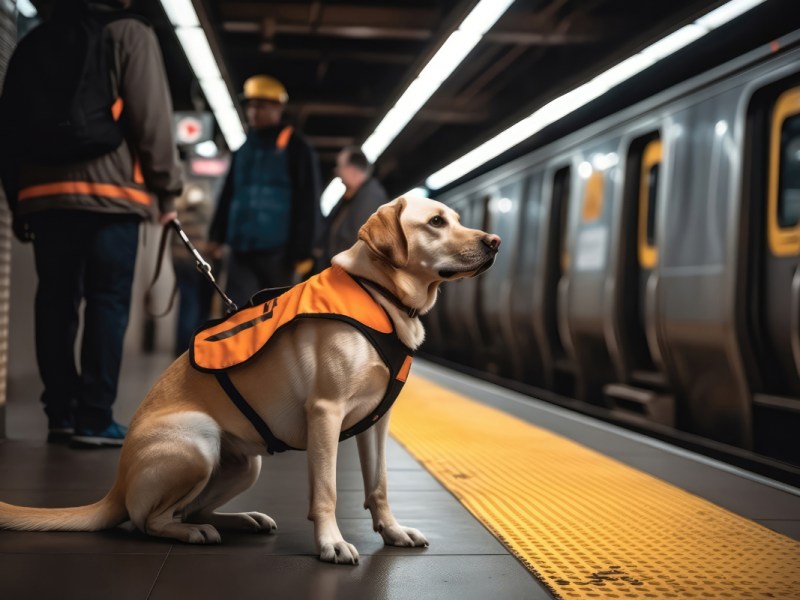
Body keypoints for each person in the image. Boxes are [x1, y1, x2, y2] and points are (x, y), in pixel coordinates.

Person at [0, 0, 183, 447]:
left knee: (55, 302)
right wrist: (167, 188)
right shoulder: (129, 33)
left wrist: (18, 198)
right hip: (112, 196)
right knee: (107, 301)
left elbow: (8, 125)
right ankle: (95, 418)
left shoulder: (33, 40)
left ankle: (60, 413)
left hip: (45, 197)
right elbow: (151, 115)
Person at [208, 75, 321, 306]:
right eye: (250, 105)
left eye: (261, 105)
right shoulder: (243, 150)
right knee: (238, 313)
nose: (253, 112)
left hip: (279, 253)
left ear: (278, 107)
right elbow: (229, 194)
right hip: (240, 250)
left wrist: (303, 249)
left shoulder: (297, 149)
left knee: (275, 314)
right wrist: (216, 235)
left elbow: (307, 201)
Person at [318, 147, 388, 269]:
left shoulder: (371, 197)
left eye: (339, 167)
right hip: (338, 270)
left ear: (352, 170)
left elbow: (356, 242)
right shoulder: (351, 195)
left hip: (347, 273)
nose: (337, 172)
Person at [172, 183, 214, 356]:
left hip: (181, 261)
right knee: (201, 307)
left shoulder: (179, 209)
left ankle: (182, 350)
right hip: (203, 262)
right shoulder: (207, 209)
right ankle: (196, 347)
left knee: (187, 304)